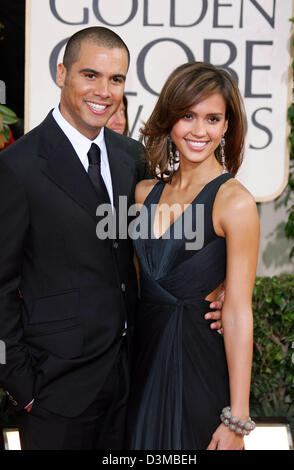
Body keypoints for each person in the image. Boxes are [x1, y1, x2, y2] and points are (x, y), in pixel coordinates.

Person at [0, 26, 148, 450]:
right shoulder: (17, 167)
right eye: (91, 75)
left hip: (127, 381)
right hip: (55, 394)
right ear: (62, 73)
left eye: (116, 79)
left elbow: (147, 250)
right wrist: (20, 385)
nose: (104, 91)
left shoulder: (130, 158)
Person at [126, 62, 259, 450]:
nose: (200, 131)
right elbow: (137, 283)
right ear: (169, 119)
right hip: (141, 366)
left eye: (213, 118)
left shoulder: (234, 202)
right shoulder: (143, 194)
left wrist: (237, 419)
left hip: (199, 368)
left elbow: (237, 312)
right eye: (188, 115)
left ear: (227, 127)